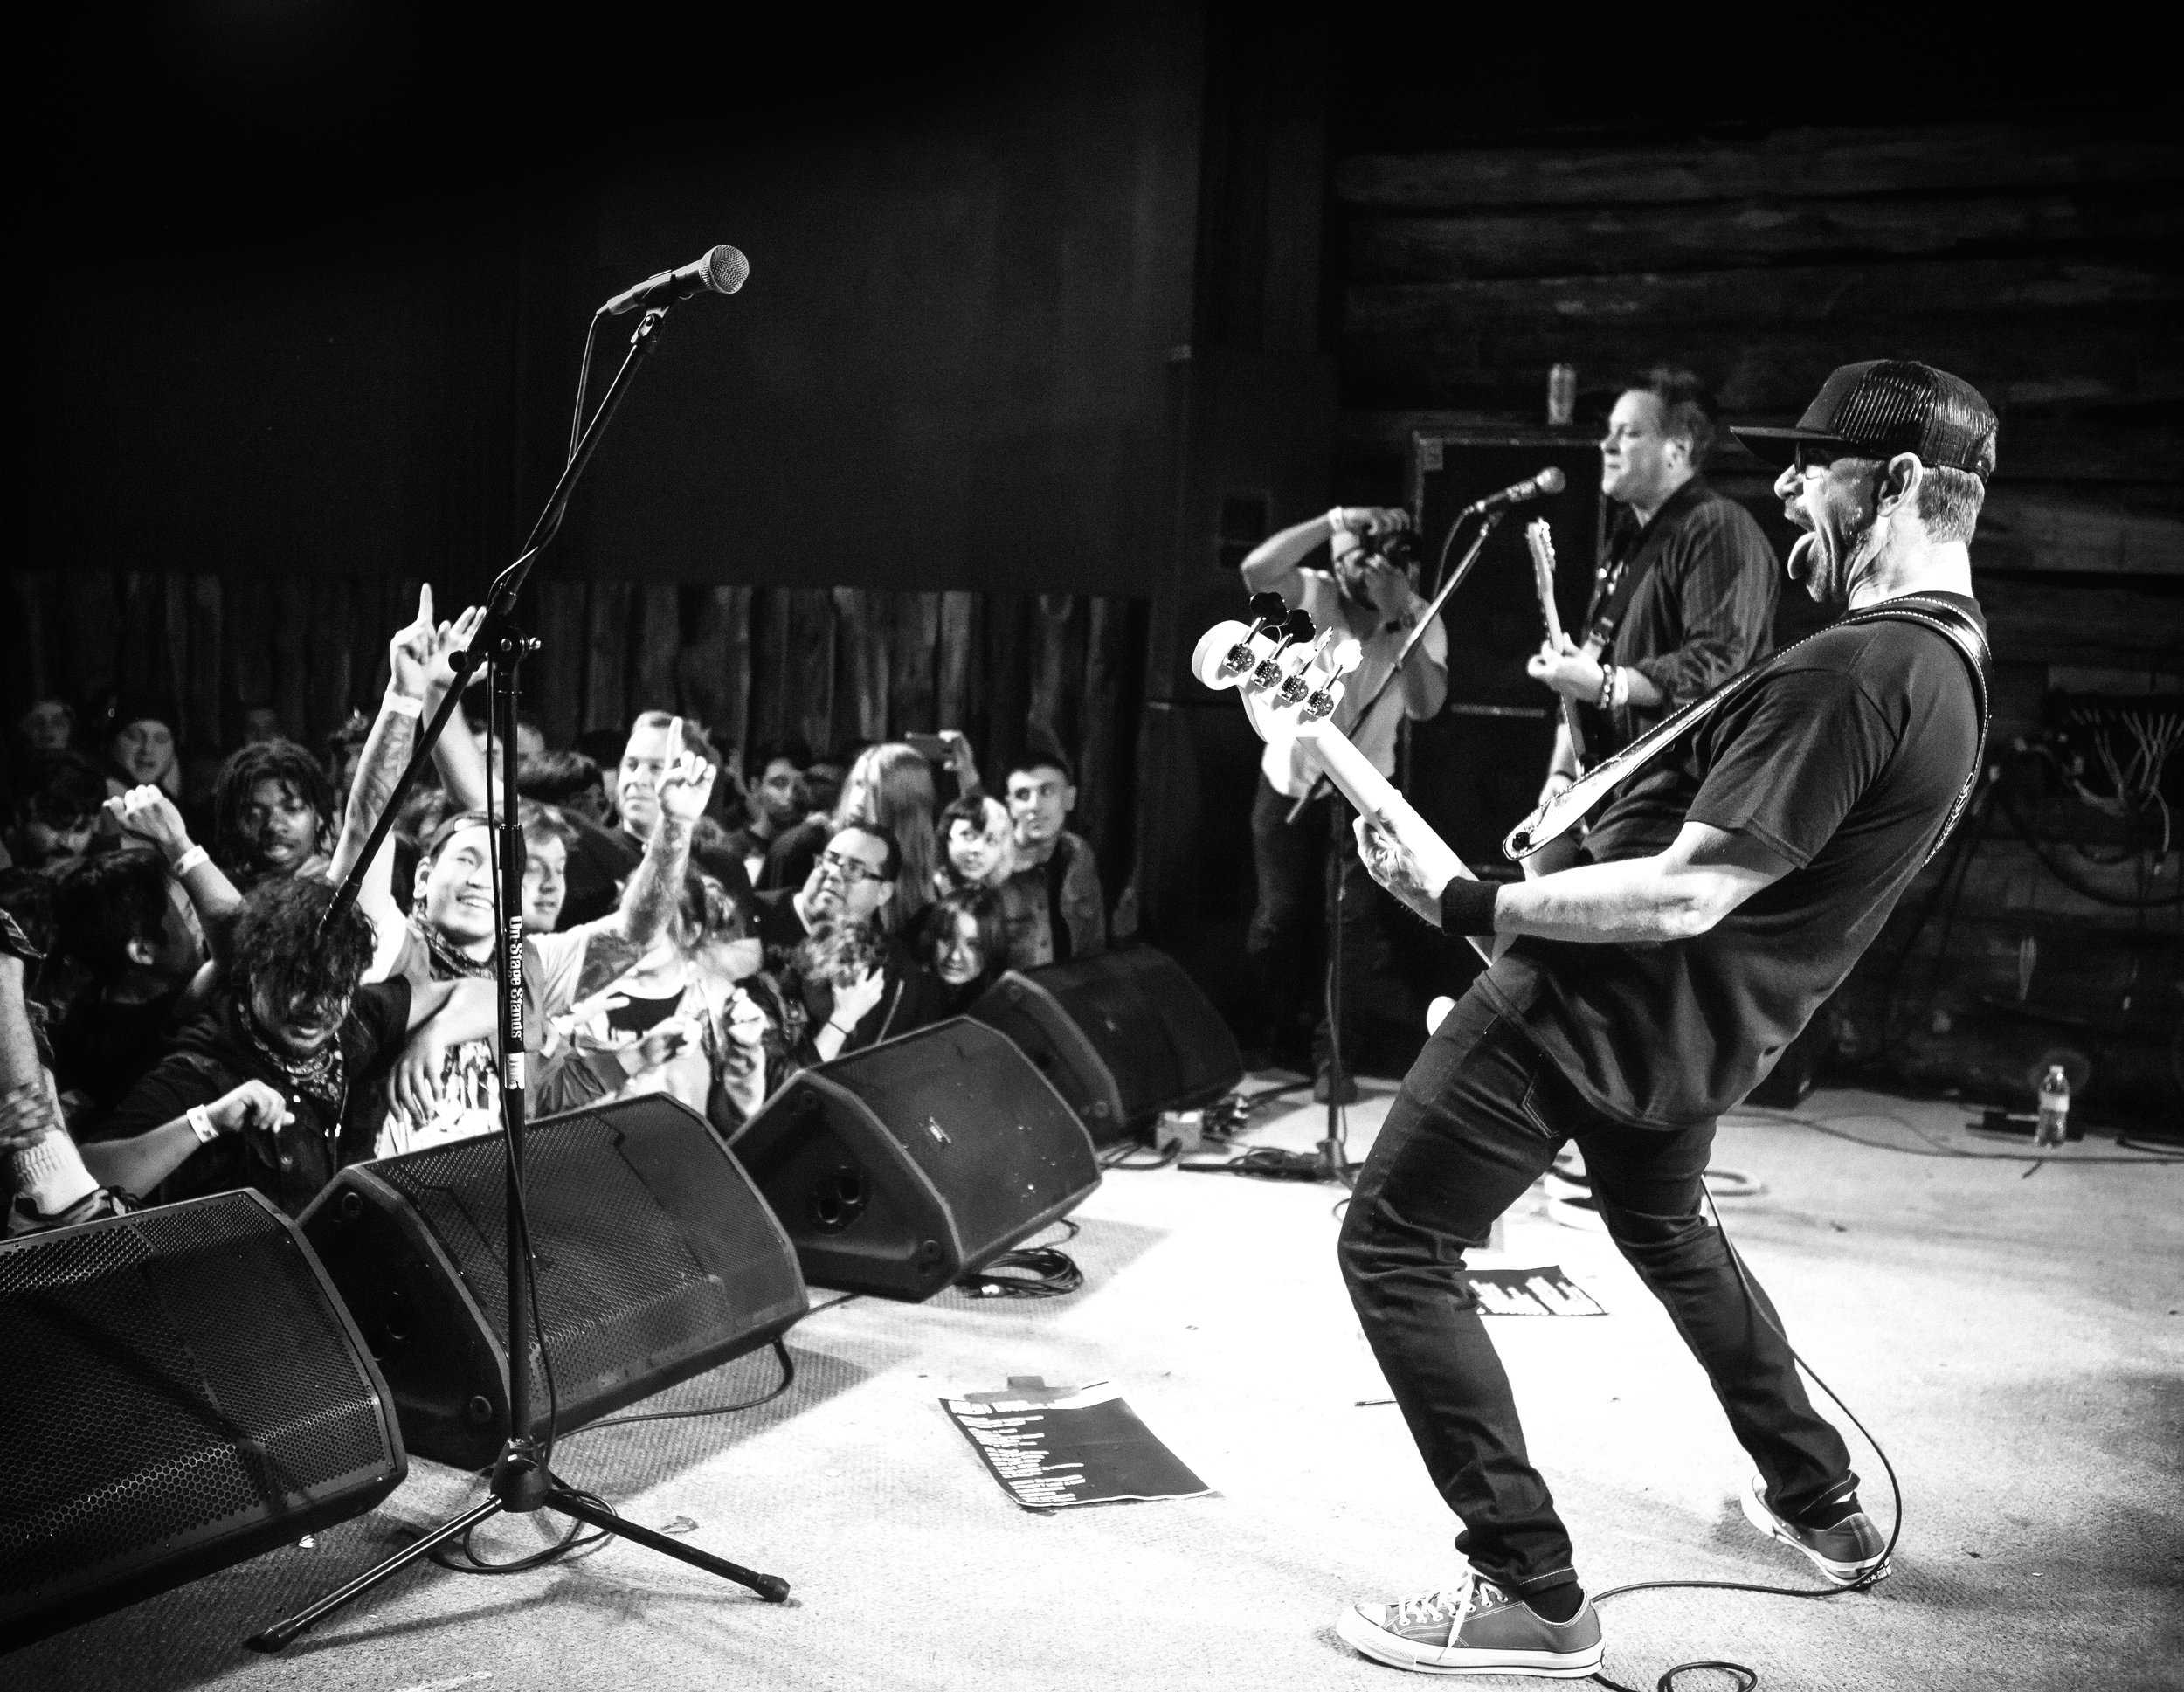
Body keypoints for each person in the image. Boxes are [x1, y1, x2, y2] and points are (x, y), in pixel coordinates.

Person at [1335, 360, 1995, 1677]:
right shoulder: (1956, 666)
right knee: (1669, 1232)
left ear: (1908, 481)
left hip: (1592, 1010)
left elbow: (1695, 888)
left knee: (1394, 1244)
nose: (1791, 486)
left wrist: (1474, 897)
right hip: (1701, 1035)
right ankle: (1822, 1502)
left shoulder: (1861, 669)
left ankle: (1531, 1587)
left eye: (1816, 465)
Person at [79, 875, 494, 1215]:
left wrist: (436, 1033)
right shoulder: (202, 1064)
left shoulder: (358, 1019)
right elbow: (89, 1179)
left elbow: (493, 995)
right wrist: (207, 1122)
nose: (315, 1008)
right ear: (255, 972)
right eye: (295, 985)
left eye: (334, 988)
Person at [1526, 368, 1780, 867]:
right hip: (1619, 791)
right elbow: (1584, 677)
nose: (1607, 444)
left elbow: (1717, 664)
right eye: (1609, 431)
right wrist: (1559, 778)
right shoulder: (1627, 540)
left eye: (1630, 432)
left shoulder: (1717, 527)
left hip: (1680, 799)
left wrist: (1609, 684)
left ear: (1678, 450)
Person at [1238, 505, 1448, 1098]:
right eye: (1361, 556)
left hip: (1365, 790)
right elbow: (1255, 571)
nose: (1371, 569)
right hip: (1291, 783)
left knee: (1351, 928)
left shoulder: (1418, 614)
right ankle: (1262, 1038)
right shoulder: (1314, 592)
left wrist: (1400, 615)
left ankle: (1334, 1058)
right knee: (1280, 917)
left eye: (1384, 557)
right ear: (1339, 560)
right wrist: (1336, 520)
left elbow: (1428, 705)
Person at [751, 820, 922, 1060]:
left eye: (854, 870)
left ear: (884, 893)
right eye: (829, 860)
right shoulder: (754, 915)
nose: (833, 875)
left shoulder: (890, 969)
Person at [763, 742, 939, 934]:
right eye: (856, 784)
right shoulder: (804, 845)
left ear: (903, 805)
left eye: (873, 789)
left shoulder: (919, 879)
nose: (859, 799)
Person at [936, 789, 1015, 894]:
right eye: (968, 836)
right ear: (947, 837)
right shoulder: (926, 891)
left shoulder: (1011, 895)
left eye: (991, 841)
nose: (978, 848)